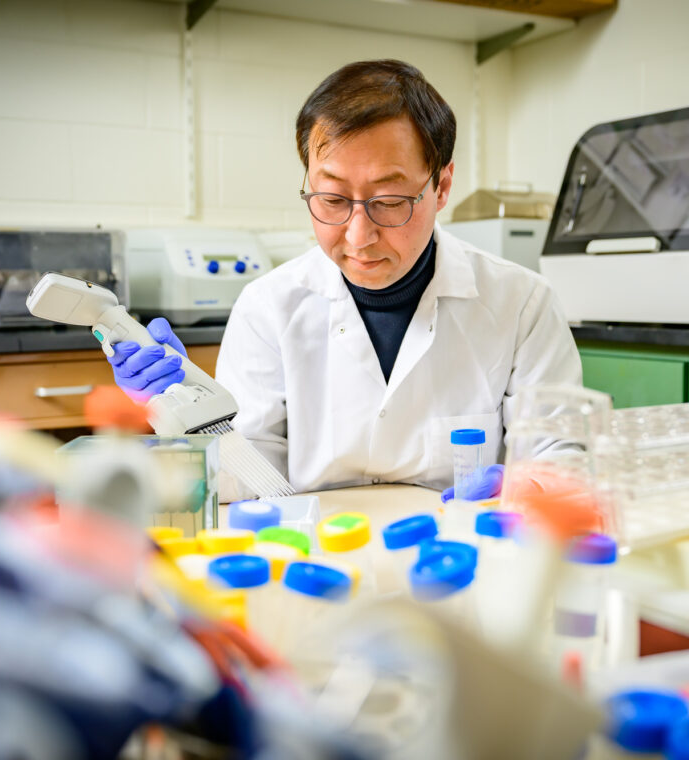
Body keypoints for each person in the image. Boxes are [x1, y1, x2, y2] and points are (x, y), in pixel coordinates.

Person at [108, 59, 581, 497]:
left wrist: (532, 485)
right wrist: (180, 411)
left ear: (441, 186)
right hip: (313, 550)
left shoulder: (521, 303)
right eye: (332, 200)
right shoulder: (267, 307)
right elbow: (243, 480)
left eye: (390, 201)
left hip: (459, 544)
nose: (358, 236)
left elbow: (560, 459)